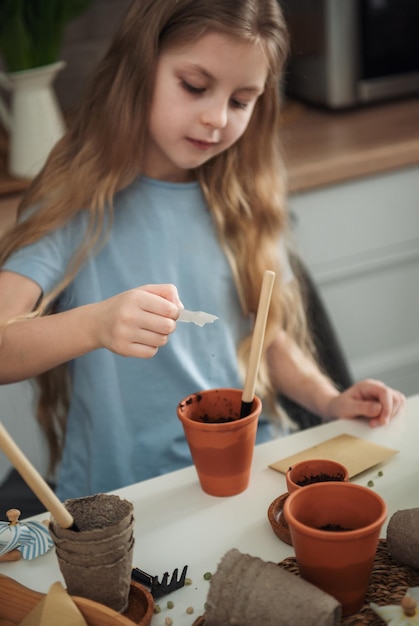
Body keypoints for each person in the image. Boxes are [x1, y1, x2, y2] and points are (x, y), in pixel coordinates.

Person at [0, 0, 404, 501]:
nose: (216, 119)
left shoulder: (242, 200)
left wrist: (330, 400)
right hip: (127, 499)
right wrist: (95, 325)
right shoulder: (75, 201)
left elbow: (264, 339)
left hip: (251, 476)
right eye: (194, 86)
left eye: (241, 101)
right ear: (137, 69)